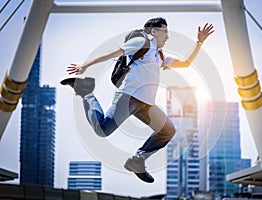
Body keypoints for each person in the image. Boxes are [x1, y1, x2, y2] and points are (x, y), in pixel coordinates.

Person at [61, 17, 214, 183]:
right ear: (153, 31)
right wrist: (85, 65)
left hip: (146, 104)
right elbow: (113, 53)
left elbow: (185, 63)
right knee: (102, 130)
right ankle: (85, 90)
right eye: (165, 32)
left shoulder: (159, 55)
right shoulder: (142, 42)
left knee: (167, 130)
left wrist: (199, 43)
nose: (167, 37)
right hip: (129, 96)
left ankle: (137, 161)